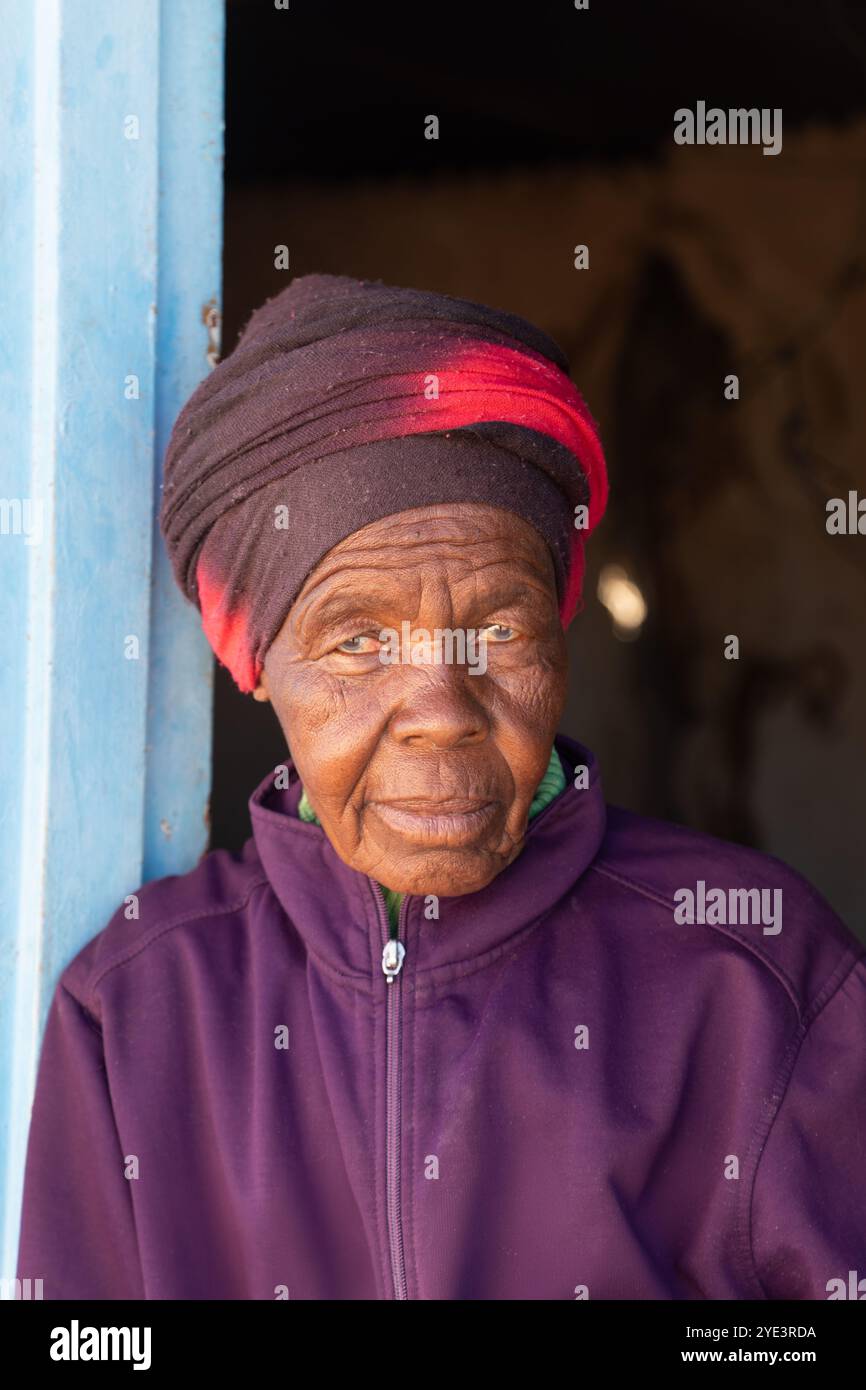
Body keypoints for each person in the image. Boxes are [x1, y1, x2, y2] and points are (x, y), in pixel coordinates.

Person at [16, 274, 866, 1300]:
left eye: (497, 631)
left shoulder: (754, 972)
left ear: (560, 632)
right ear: (254, 662)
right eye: (359, 639)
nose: (440, 708)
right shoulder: (139, 1009)